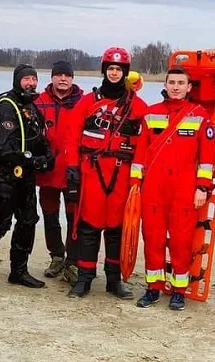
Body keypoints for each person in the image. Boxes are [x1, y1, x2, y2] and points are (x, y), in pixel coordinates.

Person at [130, 68, 215, 311]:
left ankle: (179, 290)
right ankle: (153, 288)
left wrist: (202, 188)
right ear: (165, 84)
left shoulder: (199, 116)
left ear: (190, 88)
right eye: (172, 82)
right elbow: (140, 154)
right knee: (153, 239)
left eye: (181, 83)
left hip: (184, 190)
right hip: (153, 190)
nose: (176, 87)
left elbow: (208, 158)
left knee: (181, 241)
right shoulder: (151, 113)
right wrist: (135, 185)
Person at [65, 47, 148, 300]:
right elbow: (71, 135)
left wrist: (136, 180)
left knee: (116, 229)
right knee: (88, 227)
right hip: (92, 171)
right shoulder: (87, 102)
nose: (114, 73)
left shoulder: (135, 105)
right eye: (110, 69)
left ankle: (114, 280)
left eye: (119, 70)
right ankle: (84, 279)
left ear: (125, 73)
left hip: (122, 174)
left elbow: (143, 142)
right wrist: (72, 169)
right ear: (104, 71)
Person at [0, 64, 54, 293]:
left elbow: (41, 141)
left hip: (26, 179)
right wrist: (33, 160)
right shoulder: (6, 106)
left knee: (28, 222)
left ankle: (19, 271)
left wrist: (46, 158)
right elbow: (4, 149)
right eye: (26, 79)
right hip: (4, 178)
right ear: (17, 81)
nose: (31, 83)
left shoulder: (32, 109)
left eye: (34, 79)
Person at [34, 59, 84, 281]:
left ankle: (72, 262)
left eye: (67, 75)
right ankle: (56, 256)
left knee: (74, 218)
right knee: (50, 216)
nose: (63, 79)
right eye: (59, 75)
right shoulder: (38, 101)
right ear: (52, 77)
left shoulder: (83, 102)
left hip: (75, 171)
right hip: (48, 171)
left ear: (72, 78)